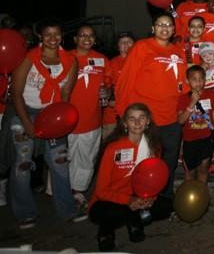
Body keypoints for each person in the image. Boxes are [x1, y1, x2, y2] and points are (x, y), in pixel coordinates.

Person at [9, 18, 79, 228]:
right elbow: (17, 95)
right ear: (40, 36)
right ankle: (25, 213)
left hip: (53, 114)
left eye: (56, 34)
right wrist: (27, 124)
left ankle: (66, 210)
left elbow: (65, 95)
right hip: (26, 112)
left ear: (62, 36)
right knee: (22, 165)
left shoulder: (70, 61)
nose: (52, 39)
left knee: (60, 163)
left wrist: (60, 123)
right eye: (47, 34)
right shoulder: (28, 59)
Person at [115, 13, 186, 198]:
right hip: (147, 120)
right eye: (160, 24)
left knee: (168, 164)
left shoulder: (179, 51)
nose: (165, 28)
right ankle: (140, 202)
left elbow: (182, 84)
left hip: (171, 119)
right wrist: (123, 114)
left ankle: (164, 200)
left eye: (169, 25)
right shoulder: (142, 47)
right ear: (153, 28)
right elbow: (125, 81)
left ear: (173, 29)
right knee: (144, 165)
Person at [89, 103, 172, 252]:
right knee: (105, 212)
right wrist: (128, 201)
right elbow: (101, 190)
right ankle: (107, 230)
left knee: (166, 206)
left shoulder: (154, 146)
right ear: (125, 123)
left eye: (141, 118)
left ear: (148, 121)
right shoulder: (113, 148)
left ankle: (134, 220)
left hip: (138, 195)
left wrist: (149, 198)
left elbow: (154, 180)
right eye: (132, 119)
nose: (137, 123)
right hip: (112, 199)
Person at [69, 24, 109, 212]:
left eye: (91, 35)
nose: (87, 38)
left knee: (86, 159)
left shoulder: (101, 60)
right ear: (75, 39)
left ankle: (78, 192)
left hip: (92, 120)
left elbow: (108, 84)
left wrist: (106, 91)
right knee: (64, 159)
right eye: (82, 35)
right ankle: (61, 192)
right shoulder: (65, 58)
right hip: (66, 121)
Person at [177, 65, 214, 184]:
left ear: (205, 80)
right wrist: (192, 103)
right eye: (194, 79)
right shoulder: (183, 98)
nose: (198, 82)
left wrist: (212, 128)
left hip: (206, 139)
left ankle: (202, 196)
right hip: (190, 140)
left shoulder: (210, 93)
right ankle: (188, 198)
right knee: (190, 172)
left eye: (201, 79)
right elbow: (180, 120)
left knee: (204, 169)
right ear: (187, 81)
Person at [104, 32, 135, 139]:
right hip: (113, 112)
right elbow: (106, 83)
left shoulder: (140, 61)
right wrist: (111, 97)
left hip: (133, 111)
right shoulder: (112, 62)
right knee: (110, 144)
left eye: (129, 42)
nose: (126, 44)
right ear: (117, 46)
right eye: (122, 42)